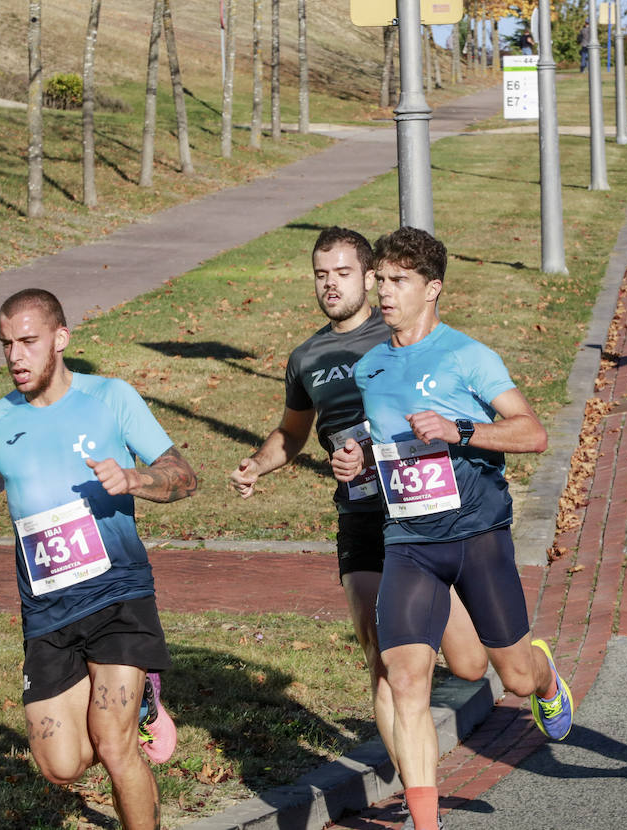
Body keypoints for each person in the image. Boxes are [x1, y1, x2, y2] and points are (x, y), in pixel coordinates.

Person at [331, 227, 573, 830]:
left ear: (432, 288)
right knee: (406, 677)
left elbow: (532, 433)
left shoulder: (469, 356)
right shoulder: (369, 367)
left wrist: (460, 431)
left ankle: (544, 680)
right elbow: (387, 440)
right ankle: (426, 824)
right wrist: (358, 459)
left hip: (477, 536)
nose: (383, 292)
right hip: (409, 541)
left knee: (508, 674)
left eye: (398, 281)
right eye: (379, 280)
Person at [229, 227, 487, 787]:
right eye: (321, 274)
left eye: (342, 273)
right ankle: (414, 785)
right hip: (361, 513)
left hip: (422, 509)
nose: (330, 284)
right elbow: (292, 434)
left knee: (470, 663)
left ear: (370, 277)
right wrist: (256, 464)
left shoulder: (397, 334)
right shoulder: (307, 357)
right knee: (379, 651)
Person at [0, 288, 199, 828]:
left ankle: (131, 708)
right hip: (47, 609)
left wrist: (135, 478)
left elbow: (184, 474)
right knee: (62, 765)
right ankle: (141, 703)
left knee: (115, 748)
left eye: (28, 341)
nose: (16, 357)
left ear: (60, 339)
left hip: (118, 595)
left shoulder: (111, 398)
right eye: (6, 345)